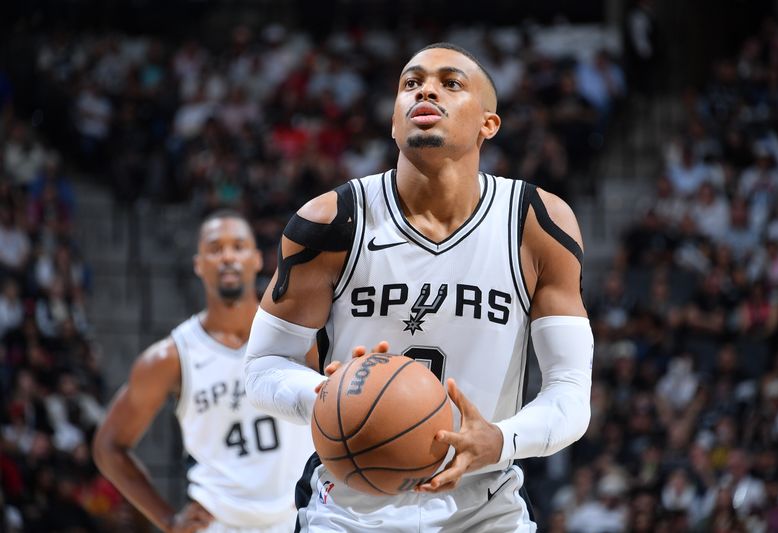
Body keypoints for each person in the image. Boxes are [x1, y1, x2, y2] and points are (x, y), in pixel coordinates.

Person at [244, 43, 593, 532]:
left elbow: (571, 394)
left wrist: (501, 439)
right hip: (346, 511)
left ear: (488, 124)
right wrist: (328, 394)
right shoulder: (330, 221)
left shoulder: (536, 223)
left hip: (485, 511)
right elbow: (261, 368)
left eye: (451, 83)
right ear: (393, 121)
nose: (425, 89)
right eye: (411, 83)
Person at [93, 210, 314, 533]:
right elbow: (108, 446)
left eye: (238, 246)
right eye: (215, 248)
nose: (227, 256)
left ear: (256, 259)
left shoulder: (302, 335)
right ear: (199, 264)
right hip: (219, 523)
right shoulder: (170, 357)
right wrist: (167, 520)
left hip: (298, 517)